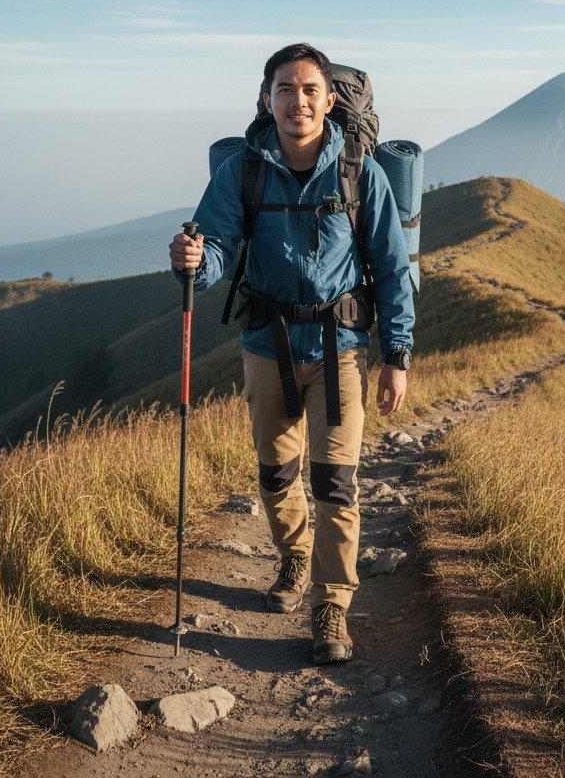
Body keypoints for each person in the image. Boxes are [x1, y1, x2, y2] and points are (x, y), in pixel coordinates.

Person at [169, 42, 414, 664]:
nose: (297, 101)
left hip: (343, 351)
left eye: (309, 90)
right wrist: (195, 262)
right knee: (275, 474)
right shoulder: (241, 172)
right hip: (266, 345)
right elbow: (218, 246)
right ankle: (295, 555)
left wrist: (398, 354)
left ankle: (332, 604)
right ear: (268, 99)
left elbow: (391, 268)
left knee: (336, 481)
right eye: (285, 90)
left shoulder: (361, 173)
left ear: (330, 100)